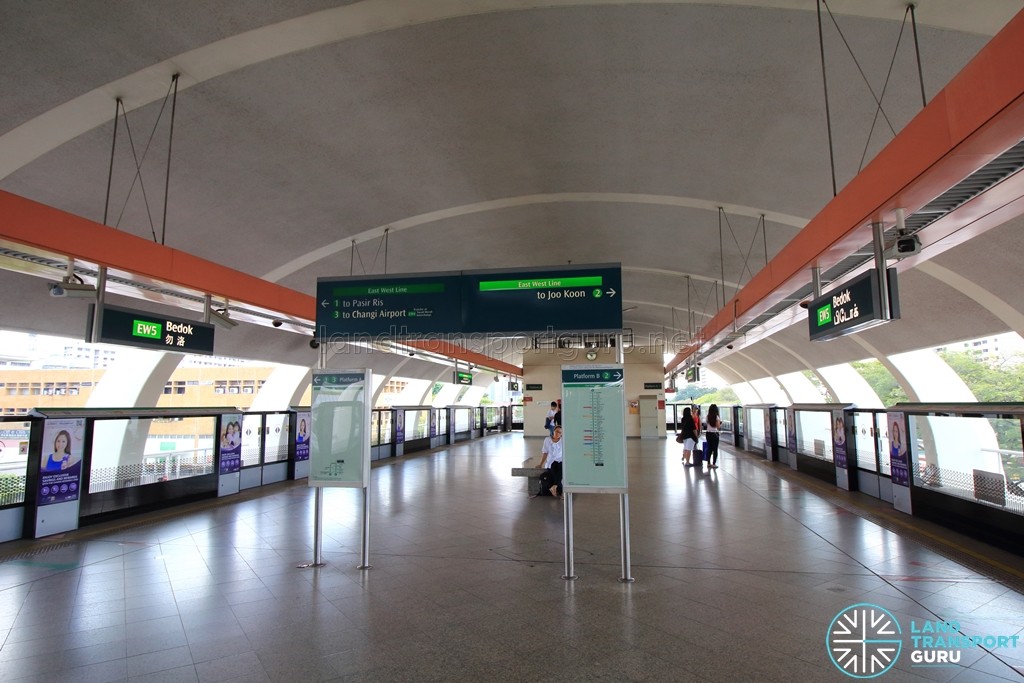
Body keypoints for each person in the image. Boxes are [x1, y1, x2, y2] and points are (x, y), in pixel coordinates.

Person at [537, 426, 564, 498]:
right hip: (551, 462)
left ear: (561, 434)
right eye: (556, 431)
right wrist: (540, 464)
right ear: (553, 431)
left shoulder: (563, 440)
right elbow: (545, 452)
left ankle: (554, 486)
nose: (557, 433)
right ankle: (559, 490)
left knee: (560, 468)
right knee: (556, 470)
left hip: (560, 461)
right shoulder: (547, 440)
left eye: (559, 432)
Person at [704, 404, 722, 469]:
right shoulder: (716, 417)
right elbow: (718, 426)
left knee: (709, 448)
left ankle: (708, 463)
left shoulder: (707, 416)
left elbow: (706, 424)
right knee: (715, 449)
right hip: (714, 434)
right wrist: (720, 423)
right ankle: (714, 463)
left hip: (708, 434)